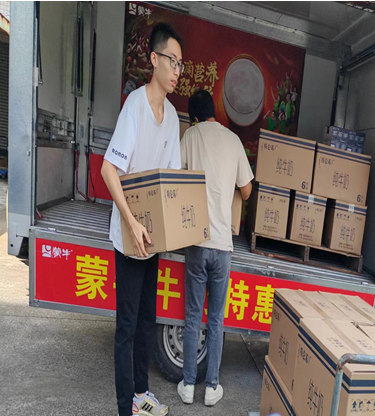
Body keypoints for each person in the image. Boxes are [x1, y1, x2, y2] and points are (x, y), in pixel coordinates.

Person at [101, 22, 184, 416]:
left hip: (152, 239)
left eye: (181, 64)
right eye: (172, 61)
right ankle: (125, 407)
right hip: (129, 235)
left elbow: (171, 181)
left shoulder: (173, 118)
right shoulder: (135, 106)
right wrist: (131, 222)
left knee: (147, 321)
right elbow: (109, 170)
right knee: (127, 326)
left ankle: (141, 395)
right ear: (154, 59)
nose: (177, 70)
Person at [177, 89, 253, 407]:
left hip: (196, 241)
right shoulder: (233, 141)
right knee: (217, 320)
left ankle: (188, 385)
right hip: (223, 246)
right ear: (214, 112)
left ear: (194, 117)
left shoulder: (190, 136)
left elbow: (175, 177)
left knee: (193, 317)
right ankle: (212, 388)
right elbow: (246, 191)